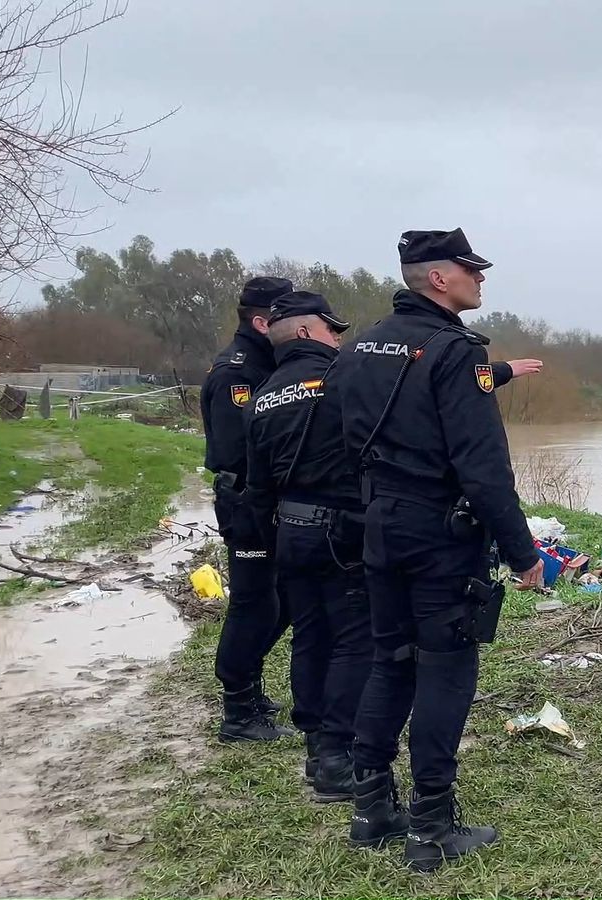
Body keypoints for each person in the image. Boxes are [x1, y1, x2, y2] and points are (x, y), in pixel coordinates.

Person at [339, 228, 544, 871]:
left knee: (390, 660)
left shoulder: (360, 344)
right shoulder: (455, 352)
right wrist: (521, 550)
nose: (480, 280)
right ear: (438, 279)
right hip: (438, 536)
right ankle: (430, 826)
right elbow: (483, 467)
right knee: (446, 671)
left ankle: (371, 808)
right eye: (470, 270)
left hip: (380, 525)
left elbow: (352, 439)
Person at [243, 290, 369, 802]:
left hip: (289, 532)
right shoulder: (342, 380)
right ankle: (340, 758)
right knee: (355, 641)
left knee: (311, 637)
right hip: (341, 532)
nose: (338, 337)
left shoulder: (262, 397)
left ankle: (318, 748)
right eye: (331, 329)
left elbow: (256, 486)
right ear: (303, 332)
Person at [201, 276, 297, 742]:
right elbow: (238, 452)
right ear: (261, 322)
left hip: (269, 501)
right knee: (252, 605)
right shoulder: (237, 373)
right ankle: (237, 711)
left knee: (277, 601)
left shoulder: (266, 363)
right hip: (246, 502)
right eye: (285, 318)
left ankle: (250, 685)